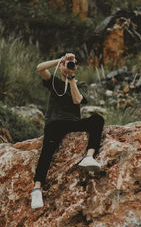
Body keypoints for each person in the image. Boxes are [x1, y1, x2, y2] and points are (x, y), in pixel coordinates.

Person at [31, 53, 104, 209]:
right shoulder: (54, 83)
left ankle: (89, 157)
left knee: (97, 120)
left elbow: (77, 100)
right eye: (67, 64)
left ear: (76, 67)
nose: (69, 66)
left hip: (73, 122)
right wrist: (60, 60)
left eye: (72, 64)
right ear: (61, 66)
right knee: (47, 150)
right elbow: (39, 68)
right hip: (55, 122)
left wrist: (71, 80)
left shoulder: (80, 85)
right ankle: (37, 188)